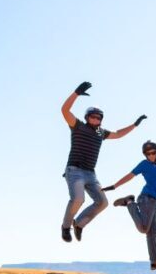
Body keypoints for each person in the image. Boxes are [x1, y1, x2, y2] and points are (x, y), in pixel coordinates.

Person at [60, 81, 147, 242]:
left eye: (99, 117)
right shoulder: (78, 126)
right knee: (78, 199)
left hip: (91, 174)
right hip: (75, 171)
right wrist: (76, 93)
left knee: (102, 202)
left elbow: (118, 134)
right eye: (93, 116)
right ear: (87, 117)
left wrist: (134, 125)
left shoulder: (100, 132)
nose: (96, 119)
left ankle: (79, 224)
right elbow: (65, 111)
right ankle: (66, 227)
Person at [104, 140, 156, 270]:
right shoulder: (144, 164)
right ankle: (129, 202)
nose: (150, 155)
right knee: (144, 229)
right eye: (147, 154)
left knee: (152, 232)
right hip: (146, 199)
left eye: (153, 153)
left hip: (154, 202)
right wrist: (115, 186)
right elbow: (130, 175)